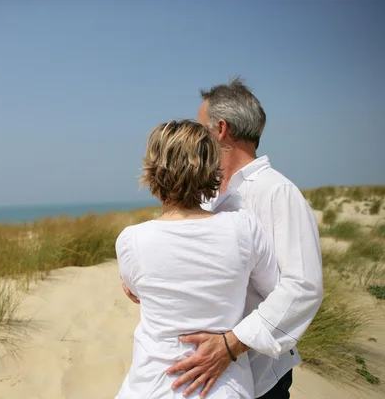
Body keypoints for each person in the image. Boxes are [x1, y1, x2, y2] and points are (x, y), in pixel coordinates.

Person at [162, 78, 324, 398]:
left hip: (259, 376)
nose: (196, 136)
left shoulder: (277, 192)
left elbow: (303, 286)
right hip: (205, 377)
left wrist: (230, 344)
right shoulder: (207, 194)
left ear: (220, 129)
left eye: (200, 127)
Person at [116, 119, 281, 399]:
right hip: (226, 389)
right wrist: (234, 341)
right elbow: (276, 294)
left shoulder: (132, 240)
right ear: (211, 169)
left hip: (151, 387)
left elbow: (135, 289)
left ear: (153, 170)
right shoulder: (243, 228)